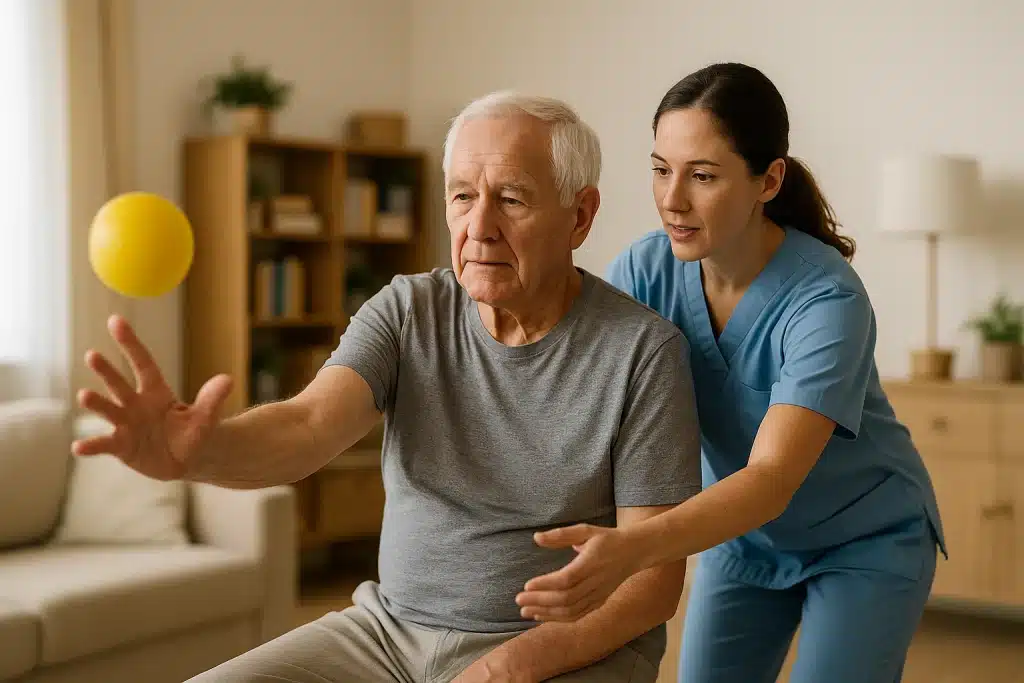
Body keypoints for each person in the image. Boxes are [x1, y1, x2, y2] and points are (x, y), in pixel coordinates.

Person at [72, 91, 704, 683]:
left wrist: (510, 665)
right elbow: (306, 426)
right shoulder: (408, 311)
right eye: (462, 197)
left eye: (511, 199)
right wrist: (198, 453)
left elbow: (650, 584)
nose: (479, 227)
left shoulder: (643, 353)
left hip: (560, 649)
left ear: (580, 215)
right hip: (388, 633)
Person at [515, 63, 946, 683]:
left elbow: (771, 477)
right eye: (661, 169)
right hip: (741, 541)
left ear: (768, 180)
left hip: (865, 540)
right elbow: (580, 396)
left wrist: (633, 546)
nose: (671, 199)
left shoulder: (827, 300)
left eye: (703, 176)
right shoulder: (645, 270)